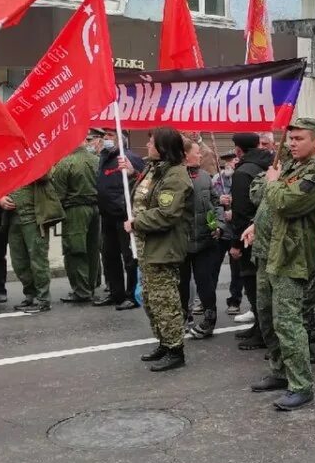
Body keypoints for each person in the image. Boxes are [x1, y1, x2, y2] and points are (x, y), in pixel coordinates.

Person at [245, 119, 315, 411]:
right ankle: (280, 371)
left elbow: (285, 204)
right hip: (267, 254)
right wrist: (270, 186)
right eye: (291, 138)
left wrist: (272, 182)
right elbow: (257, 195)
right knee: (267, 318)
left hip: (290, 258)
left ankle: (301, 386)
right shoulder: (289, 167)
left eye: (299, 138)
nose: (292, 143)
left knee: (288, 323)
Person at [126, 127, 194, 372]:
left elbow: (167, 214)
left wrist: (136, 222)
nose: (147, 147)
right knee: (151, 300)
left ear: (164, 147)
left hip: (163, 247)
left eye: (152, 143)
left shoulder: (175, 176)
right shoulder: (153, 169)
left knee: (165, 300)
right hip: (147, 246)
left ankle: (176, 349)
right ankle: (164, 343)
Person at [230, 132, 272, 346]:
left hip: (250, 235)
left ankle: (263, 332)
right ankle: (260, 326)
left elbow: (240, 211)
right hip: (267, 231)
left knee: (253, 283)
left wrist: (236, 243)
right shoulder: (269, 165)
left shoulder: (243, 171)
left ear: (238, 149)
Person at [95, 131, 145, 310]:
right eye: (105, 136)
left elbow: (142, 179)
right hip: (107, 215)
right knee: (109, 256)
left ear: (120, 138)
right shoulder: (105, 158)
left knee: (129, 257)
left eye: (110, 135)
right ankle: (116, 293)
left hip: (125, 215)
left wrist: (133, 172)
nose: (106, 139)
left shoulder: (131, 157)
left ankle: (132, 294)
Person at [181, 139, 226, 338]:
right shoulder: (173, 177)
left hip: (205, 242)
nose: (200, 156)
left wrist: (219, 224)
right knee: (181, 284)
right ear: (184, 155)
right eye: (197, 152)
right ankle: (183, 318)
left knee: (205, 283)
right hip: (180, 243)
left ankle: (209, 320)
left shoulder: (205, 177)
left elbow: (216, 204)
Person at [51, 139, 101, 304]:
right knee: (92, 250)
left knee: (75, 251)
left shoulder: (65, 163)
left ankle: (81, 291)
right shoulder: (97, 160)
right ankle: (91, 286)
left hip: (75, 211)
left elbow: (58, 195)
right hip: (96, 209)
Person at [3, 174, 62, 314]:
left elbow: (46, 175)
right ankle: (30, 295)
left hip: (34, 219)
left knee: (38, 260)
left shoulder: (33, 158)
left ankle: (43, 299)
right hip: (14, 220)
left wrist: (32, 167)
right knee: (19, 262)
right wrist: (1, 199)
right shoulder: (6, 165)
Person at [212, 152, 244, 313]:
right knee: (212, 267)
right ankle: (206, 300)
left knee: (236, 269)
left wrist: (234, 207)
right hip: (220, 229)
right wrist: (220, 203)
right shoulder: (217, 179)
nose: (229, 164)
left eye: (233, 161)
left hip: (235, 231)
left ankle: (235, 300)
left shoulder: (241, 178)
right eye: (227, 161)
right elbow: (211, 201)